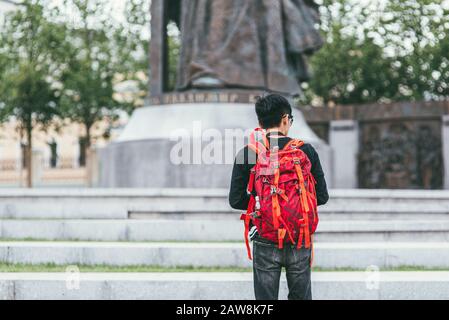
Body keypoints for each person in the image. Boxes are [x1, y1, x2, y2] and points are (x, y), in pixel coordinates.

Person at [229, 94, 329, 300]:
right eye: (290, 120)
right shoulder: (306, 150)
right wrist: (294, 205)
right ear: (285, 119)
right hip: (299, 235)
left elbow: (235, 199)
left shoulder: (248, 153)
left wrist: (262, 204)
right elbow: (322, 196)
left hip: (264, 235)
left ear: (260, 122)